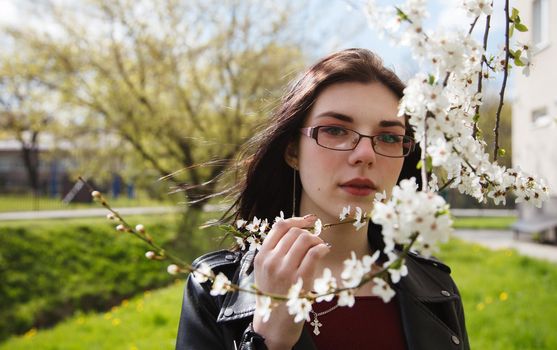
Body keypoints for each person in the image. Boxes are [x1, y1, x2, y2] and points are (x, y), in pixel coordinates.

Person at [176, 48, 469, 350]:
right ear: (292, 151)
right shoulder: (217, 287)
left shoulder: (437, 290)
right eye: (335, 130)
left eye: (390, 137)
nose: (365, 155)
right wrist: (268, 339)